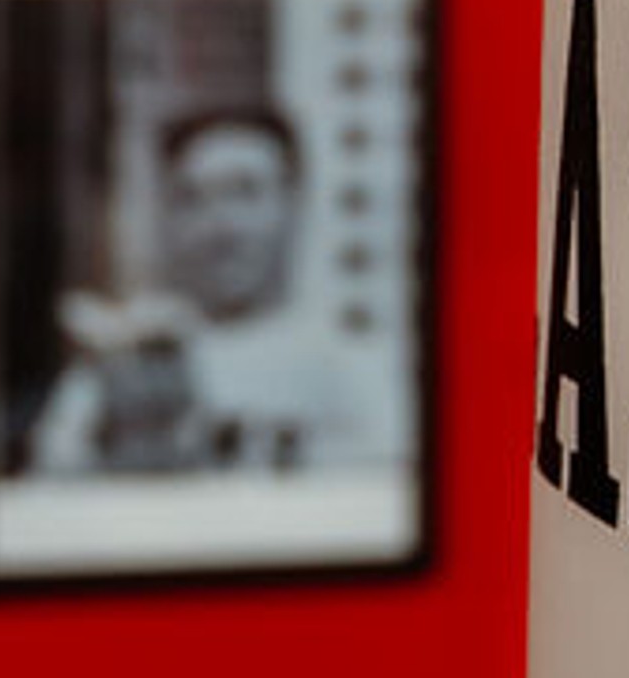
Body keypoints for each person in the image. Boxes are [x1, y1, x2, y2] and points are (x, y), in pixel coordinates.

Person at [22, 97, 400, 478]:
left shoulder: (347, 361)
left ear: (292, 203)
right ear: (167, 217)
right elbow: (51, 485)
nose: (221, 226)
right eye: (193, 199)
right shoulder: (127, 362)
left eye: (245, 193)